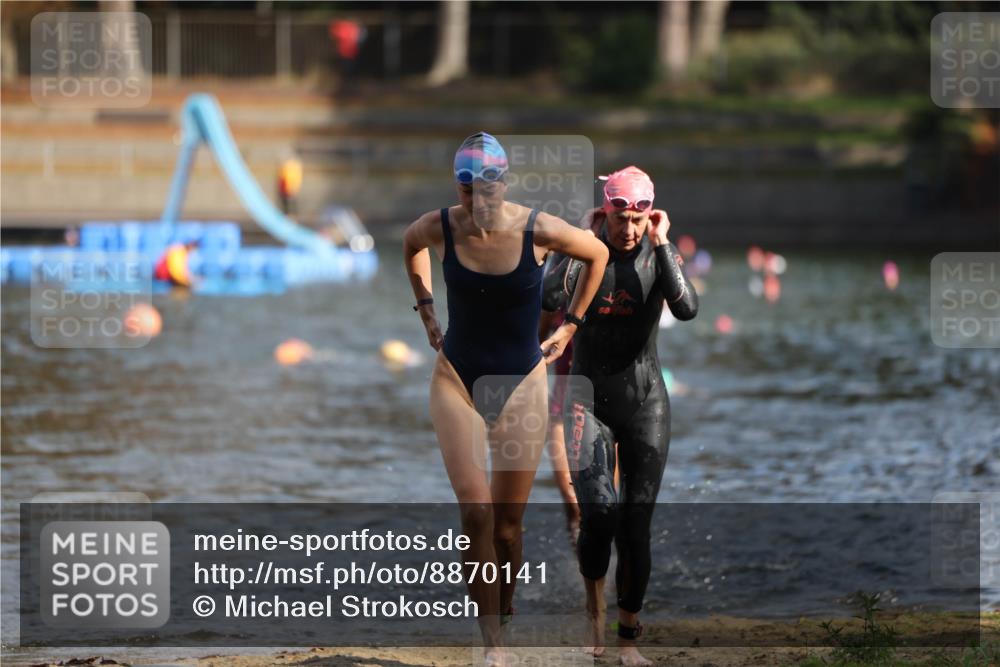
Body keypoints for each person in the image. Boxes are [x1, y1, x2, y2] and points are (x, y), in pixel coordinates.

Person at [403, 132, 609, 666]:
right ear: (458, 187)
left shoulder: (538, 229)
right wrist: (426, 308)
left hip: (522, 386)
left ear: (504, 182)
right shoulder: (442, 225)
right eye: (468, 189)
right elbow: (410, 244)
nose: (479, 199)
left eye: (488, 187)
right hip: (456, 380)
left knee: (508, 528)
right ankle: (493, 643)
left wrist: (571, 325)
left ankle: (507, 610)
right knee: (476, 512)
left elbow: (598, 253)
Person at [542, 166, 698, 666]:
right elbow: (549, 296)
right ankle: (595, 615)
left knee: (635, 523)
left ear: (650, 215)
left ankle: (628, 640)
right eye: (618, 218)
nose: (628, 229)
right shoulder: (586, 252)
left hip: (646, 402)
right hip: (586, 401)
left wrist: (664, 240)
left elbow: (687, 308)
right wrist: (580, 241)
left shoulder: (657, 254)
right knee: (598, 514)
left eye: (637, 219)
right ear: (604, 213)